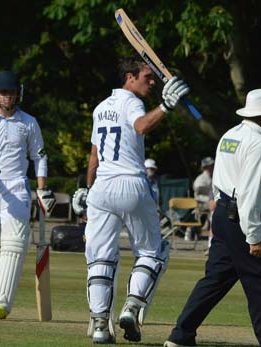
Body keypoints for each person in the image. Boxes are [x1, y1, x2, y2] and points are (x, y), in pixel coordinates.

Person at [72, 57, 189, 344]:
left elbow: (94, 156)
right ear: (129, 77)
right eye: (147, 77)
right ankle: (132, 306)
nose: (151, 82)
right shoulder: (132, 103)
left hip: (101, 187)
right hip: (131, 184)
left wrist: (87, 190)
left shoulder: (101, 108)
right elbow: (140, 126)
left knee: (99, 257)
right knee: (152, 252)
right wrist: (166, 106)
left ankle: (100, 325)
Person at [165, 89, 261, 347]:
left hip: (224, 213)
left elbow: (223, 182)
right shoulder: (258, 143)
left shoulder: (229, 136)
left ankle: (180, 335)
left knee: (215, 280)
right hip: (246, 217)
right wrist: (254, 236)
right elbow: (249, 192)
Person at [0, 70, 55, 320]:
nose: (8, 98)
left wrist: (42, 187)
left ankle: (2, 304)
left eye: (12, 93)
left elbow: (39, 156)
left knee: (14, 244)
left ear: (19, 94)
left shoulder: (28, 122)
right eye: (4, 93)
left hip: (16, 186)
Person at [192, 156, 215, 243]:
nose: (213, 167)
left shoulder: (212, 177)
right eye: (211, 165)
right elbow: (197, 196)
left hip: (210, 202)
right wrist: (210, 200)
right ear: (207, 167)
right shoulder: (201, 179)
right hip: (202, 204)